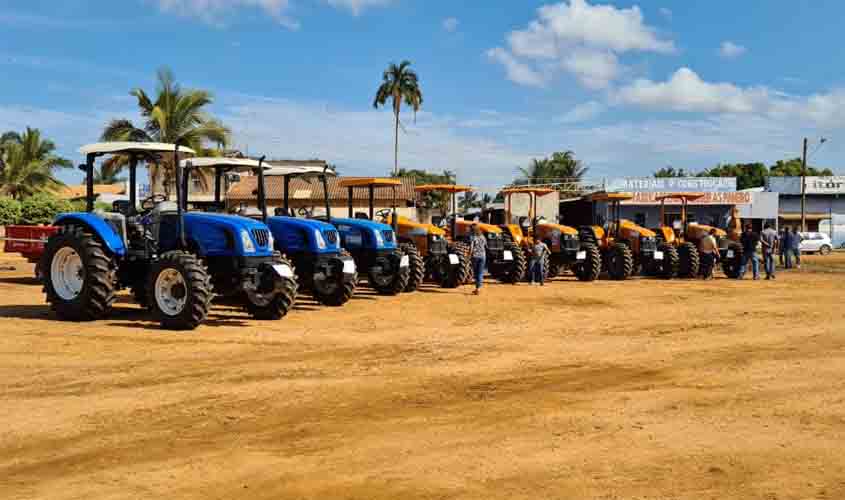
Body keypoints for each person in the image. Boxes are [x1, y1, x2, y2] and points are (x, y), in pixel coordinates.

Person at [469, 224, 487, 295]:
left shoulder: (472, 237)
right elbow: (485, 245)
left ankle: (477, 288)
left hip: (475, 256)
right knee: (480, 272)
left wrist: (469, 255)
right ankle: (478, 288)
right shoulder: (482, 237)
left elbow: (471, 247)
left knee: (476, 273)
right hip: (483, 256)